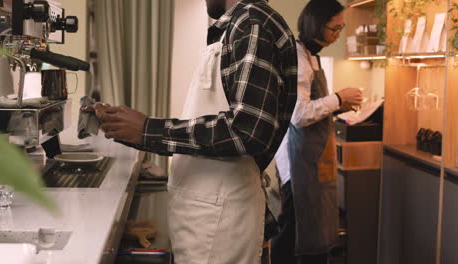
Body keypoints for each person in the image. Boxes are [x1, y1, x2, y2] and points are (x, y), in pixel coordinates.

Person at [86, 0, 297, 263]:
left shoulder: (252, 23)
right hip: (210, 213)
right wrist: (127, 128)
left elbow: (248, 131)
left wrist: (148, 129)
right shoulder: (236, 25)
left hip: (220, 217)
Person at [270, 0, 363, 263]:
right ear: (316, 24)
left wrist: (339, 105)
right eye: (335, 28)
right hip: (297, 162)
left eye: (341, 28)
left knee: (311, 230)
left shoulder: (312, 56)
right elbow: (298, 114)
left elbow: (312, 106)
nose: (337, 34)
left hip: (311, 158)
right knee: (291, 233)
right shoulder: (298, 58)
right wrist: (337, 97)